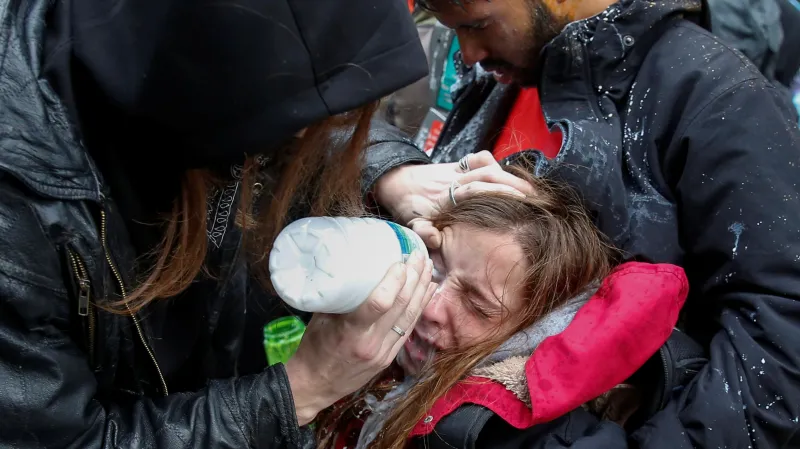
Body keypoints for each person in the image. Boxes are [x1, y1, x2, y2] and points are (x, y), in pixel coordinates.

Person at [0, 1, 528, 447]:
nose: (427, 301)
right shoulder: (19, 208)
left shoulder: (188, 68)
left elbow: (291, 115)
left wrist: (389, 172)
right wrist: (297, 392)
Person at [374, 0, 800, 447]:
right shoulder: (506, 75)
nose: (469, 51)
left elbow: (781, 330)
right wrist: (391, 173)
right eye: (454, 28)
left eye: (478, 25)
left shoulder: (718, 98)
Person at [316, 169, 699, 449]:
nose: (430, 305)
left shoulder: (529, 440)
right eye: (434, 266)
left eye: (477, 305)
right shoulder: (369, 345)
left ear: (535, 331)